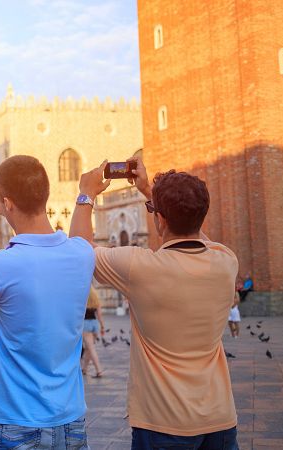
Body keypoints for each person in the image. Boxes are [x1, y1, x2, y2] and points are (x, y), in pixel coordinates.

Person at [70, 158, 239, 448]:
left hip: (162, 423)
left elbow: (78, 252)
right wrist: (150, 192)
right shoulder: (226, 261)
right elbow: (198, 235)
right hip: (220, 419)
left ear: (159, 220)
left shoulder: (141, 267)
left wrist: (87, 194)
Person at [0, 155, 95, 449]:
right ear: (45, 194)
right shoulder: (82, 255)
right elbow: (78, 238)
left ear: (6, 202)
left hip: (16, 423)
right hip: (71, 420)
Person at [81, 288, 105, 378]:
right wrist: (102, 326)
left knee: (91, 348)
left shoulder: (82, 295)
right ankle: (84, 369)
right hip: (95, 324)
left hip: (86, 324)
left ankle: (99, 370)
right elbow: (99, 314)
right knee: (88, 348)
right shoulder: (95, 296)